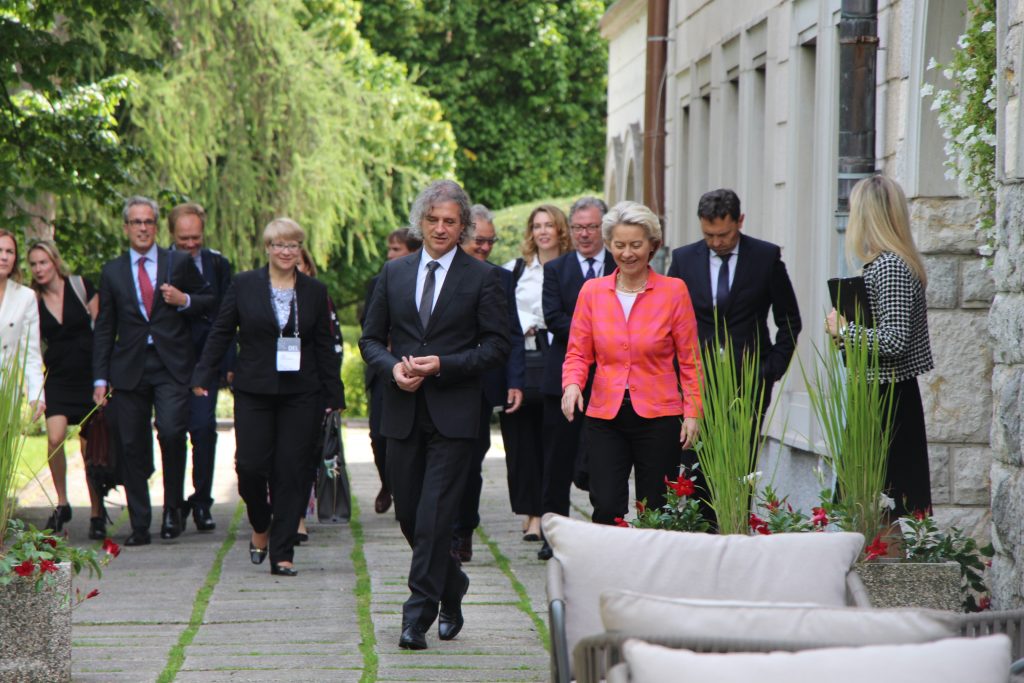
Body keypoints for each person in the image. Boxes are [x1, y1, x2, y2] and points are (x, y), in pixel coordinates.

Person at [360, 180, 510, 651]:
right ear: (419, 222)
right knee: (409, 517)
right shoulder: (394, 273)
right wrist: (392, 369)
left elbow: (497, 346)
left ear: (462, 227)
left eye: (450, 221)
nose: (440, 228)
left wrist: (444, 364)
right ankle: (453, 584)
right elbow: (369, 340)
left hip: (455, 415)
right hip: (402, 412)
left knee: (433, 519)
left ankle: (416, 617)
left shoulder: (483, 278)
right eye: (433, 219)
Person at [192, 218, 344, 577]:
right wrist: (203, 373)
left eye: (293, 245)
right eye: (279, 245)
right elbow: (222, 331)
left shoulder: (314, 290)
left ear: (300, 250)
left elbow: (324, 345)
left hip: (302, 391)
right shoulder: (244, 285)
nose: (286, 252)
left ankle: (283, 551)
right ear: (268, 248)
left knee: (293, 470)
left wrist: (334, 392)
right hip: (254, 388)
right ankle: (261, 522)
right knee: (250, 466)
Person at [561, 201, 702, 525]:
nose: (627, 253)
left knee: (656, 509)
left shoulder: (673, 291)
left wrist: (693, 411)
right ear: (609, 245)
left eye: (636, 245)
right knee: (606, 504)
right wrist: (572, 385)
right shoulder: (592, 292)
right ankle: (610, 558)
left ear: (653, 245)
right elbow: (578, 352)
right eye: (619, 245)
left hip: (659, 416)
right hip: (605, 416)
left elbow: (690, 360)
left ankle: (651, 560)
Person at [667, 188, 801, 524]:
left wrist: (772, 368)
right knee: (695, 465)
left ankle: (734, 530)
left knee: (740, 467)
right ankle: (702, 535)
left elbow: (789, 320)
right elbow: (666, 319)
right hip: (697, 381)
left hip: (749, 380)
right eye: (708, 235)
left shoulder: (766, 257)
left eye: (724, 234)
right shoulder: (683, 260)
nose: (716, 242)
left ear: (739, 221)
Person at [92, 196, 214, 546]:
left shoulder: (178, 262)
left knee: (173, 432)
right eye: (136, 222)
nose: (143, 228)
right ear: (126, 228)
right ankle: (140, 523)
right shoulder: (113, 271)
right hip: (129, 368)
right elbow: (105, 328)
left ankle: (173, 509)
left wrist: (184, 300)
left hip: (171, 365)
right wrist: (100, 379)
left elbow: (209, 300)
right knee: (131, 443)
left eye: (148, 222)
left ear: (157, 227)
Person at [826, 175, 933, 517]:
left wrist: (846, 330)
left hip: (888, 399)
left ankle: (882, 556)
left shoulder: (891, 267)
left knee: (883, 507)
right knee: (872, 506)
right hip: (881, 394)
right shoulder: (888, 264)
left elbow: (894, 339)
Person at [537, 197, 612, 561]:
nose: (584, 234)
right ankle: (553, 535)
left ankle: (604, 536)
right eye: (578, 227)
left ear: (604, 228)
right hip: (563, 379)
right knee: (557, 461)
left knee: (604, 462)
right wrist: (601, 333)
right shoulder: (557, 269)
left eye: (591, 227)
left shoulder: (620, 264)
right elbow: (554, 318)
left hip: (610, 381)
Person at [450, 205, 525, 562]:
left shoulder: (500, 278)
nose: (484, 247)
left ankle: (462, 530)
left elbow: (512, 333)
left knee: (469, 463)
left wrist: (515, 380)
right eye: (479, 240)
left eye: (490, 242)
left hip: (478, 387)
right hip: (436, 381)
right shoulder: (437, 274)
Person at [501, 204, 571, 542]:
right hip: (521, 364)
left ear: (560, 230)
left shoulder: (570, 268)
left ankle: (548, 514)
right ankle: (530, 514)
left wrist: (540, 322)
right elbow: (502, 313)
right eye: (537, 225)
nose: (543, 231)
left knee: (553, 444)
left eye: (549, 225)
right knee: (521, 445)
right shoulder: (515, 269)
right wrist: (526, 323)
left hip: (557, 363)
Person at [27, 240, 105, 537]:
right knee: (55, 438)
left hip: (88, 377)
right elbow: (32, 345)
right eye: (33, 264)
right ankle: (62, 502)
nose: (39, 269)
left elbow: (103, 331)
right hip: (57, 378)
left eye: (43, 262)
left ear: (55, 262)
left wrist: (104, 378)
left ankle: (97, 512)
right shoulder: (32, 300)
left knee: (89, 447)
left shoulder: (80, 286)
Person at [168, 202, 234, 532]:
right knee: (171, 432)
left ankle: (202, 501)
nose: (191, 244)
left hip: (205, 362)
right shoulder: (161, 264)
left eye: (196, 237)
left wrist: (229, 364)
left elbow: (228, 315)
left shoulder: (218, 264)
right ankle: (173, 504)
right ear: (172, 234)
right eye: (184, 239)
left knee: (204, 429)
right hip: (169, 362)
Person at [362, 227, 423, 515]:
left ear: (413, 251)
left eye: (396, 249)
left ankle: (408, 491)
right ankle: (389, 482)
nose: (389, 255)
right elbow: (369, 328)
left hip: (422, 368)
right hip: (385, 370)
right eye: (389, 249)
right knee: (378, 435)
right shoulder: (381, 280)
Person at [0, 230, 45, 419]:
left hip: (5, 393)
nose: (4, 257)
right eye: (0, 250)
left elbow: (31, 354)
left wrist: (36, 395)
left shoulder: (26, 297)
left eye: (9, 252)